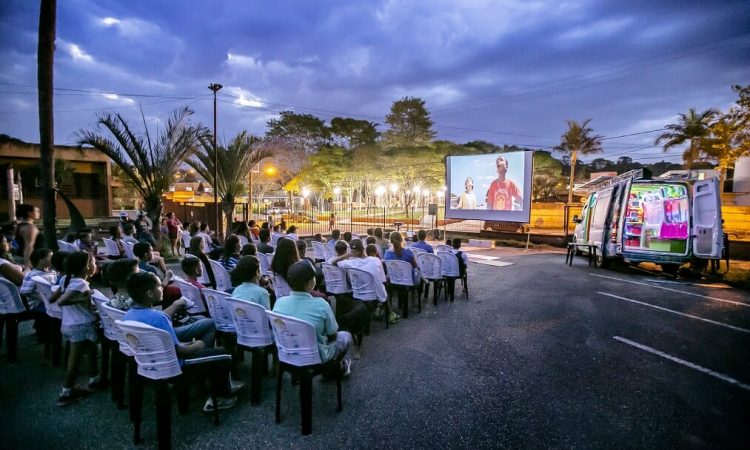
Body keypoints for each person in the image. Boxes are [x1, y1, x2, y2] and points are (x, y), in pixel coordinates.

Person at [123, 272, 238, 413]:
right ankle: (220, 397)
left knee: (207, 348)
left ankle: (206, 378)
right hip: (177, 366)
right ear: (149, 293)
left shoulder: (127, 316)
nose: (162, 289)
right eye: (159, 286)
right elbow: (179, 350)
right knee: (224, 355)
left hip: (149, 365)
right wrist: (196, 345)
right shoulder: (159, 318)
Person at [272, 261, 352, 376]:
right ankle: (337, 369)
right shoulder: (321, 304)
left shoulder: (279, 302)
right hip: (316, 359)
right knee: (345, 336)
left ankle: (336, 367)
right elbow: (332, 335)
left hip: (287, 354)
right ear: (310, 282)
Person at [51, 251, 103, 406]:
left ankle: (95, 379)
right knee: (74, 360)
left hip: (69, 323)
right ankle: (66, 392)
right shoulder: (80, 283)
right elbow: (60, 301)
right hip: (80, 325)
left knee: (92, 351)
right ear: (86, 267)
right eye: (94, 262)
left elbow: (51, 298)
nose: (96, 265)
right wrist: (85, 297)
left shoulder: (66, 280)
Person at [20, 248, 56, 313]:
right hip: (38, 304)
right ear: (41, 261)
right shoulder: (33, 275)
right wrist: (42, 298)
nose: (54, 259)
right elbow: (24, 292)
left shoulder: (52, 271)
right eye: (51, 257)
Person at [15, 203, 40, 268]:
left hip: (20, 256)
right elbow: (29, 246)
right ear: (29, 213)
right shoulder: (30, 228)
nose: (38, 213)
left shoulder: (20, 226)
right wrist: (27, 264)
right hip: (27, 259)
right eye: (36, 211)